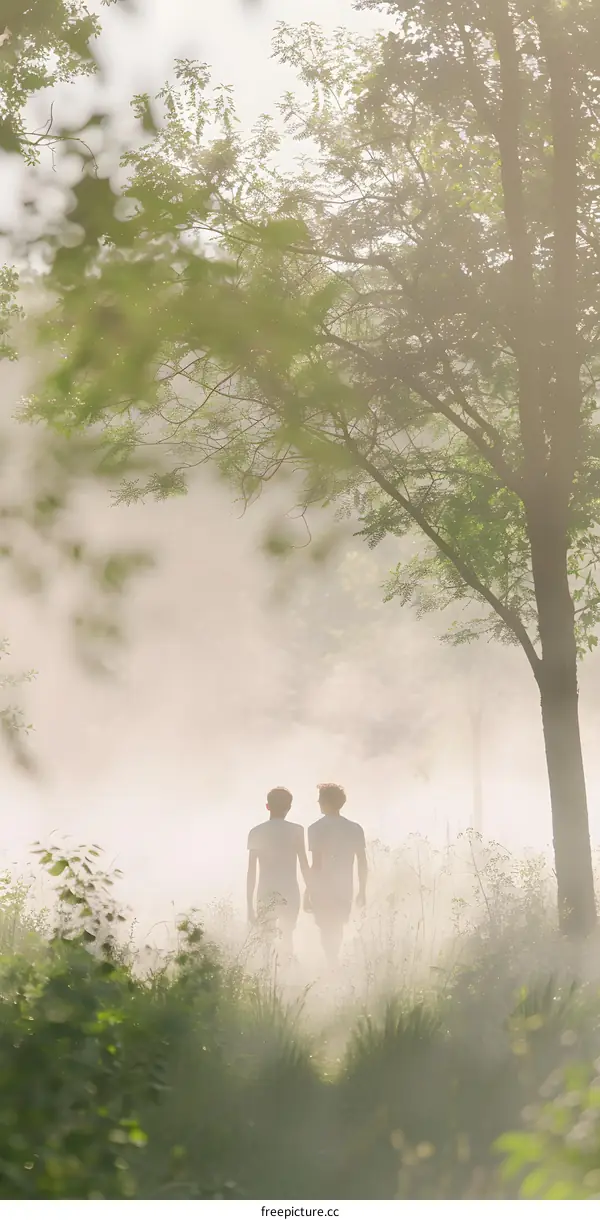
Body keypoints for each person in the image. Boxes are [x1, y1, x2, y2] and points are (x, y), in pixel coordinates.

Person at [246, 786, 311, 960]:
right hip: (290, 889)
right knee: (288, 934)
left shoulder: (256, 832)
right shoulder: (297, 830)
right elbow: (304, 864)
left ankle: (268, 974)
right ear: (289, 807)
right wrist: (310, 890)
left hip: (265, 889)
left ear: (268, 806)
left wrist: (249, 905)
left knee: (267, 937)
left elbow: (252, 870)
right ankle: (286, 971)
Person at [307, 782, 367, 967]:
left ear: (325, 802)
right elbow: (362, 861)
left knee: (326, 927)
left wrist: (308, 890)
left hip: (323, 886)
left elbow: (316, 864)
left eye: (320, 799)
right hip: (344, 886)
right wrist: (362, 890)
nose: (317, 802)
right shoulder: (355, 828)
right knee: (338, 924)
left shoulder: (316, 828)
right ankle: (334, 961)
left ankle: (331, 962)